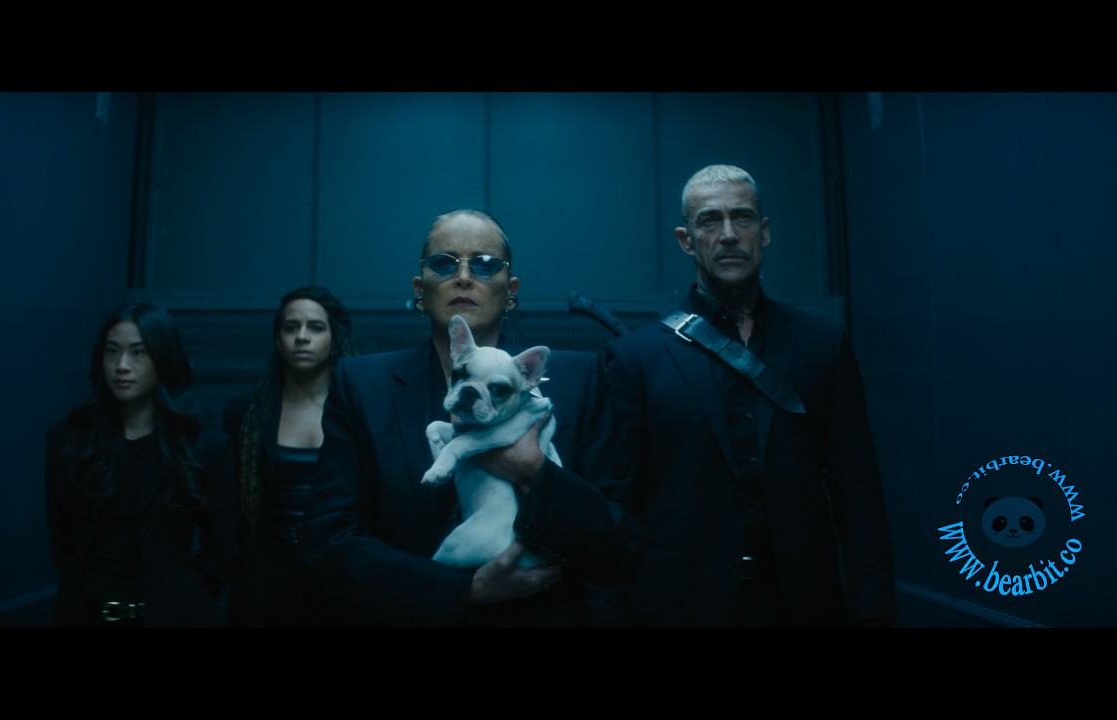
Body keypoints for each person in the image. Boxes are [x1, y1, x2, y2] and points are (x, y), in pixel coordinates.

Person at [299, 209, 637, 627]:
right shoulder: (360, 385)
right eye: (444, 263)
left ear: (511, 291)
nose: (463, 276)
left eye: (485, 264)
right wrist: (460, 591)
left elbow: (619, 543)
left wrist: (533, 470)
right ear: (420, 289)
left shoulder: (579, 379)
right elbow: (328, 539)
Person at [603, 164, 896, 627]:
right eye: (709, 221)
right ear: (686, 240)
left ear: (765, 232)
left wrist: (874, 613)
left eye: (742, 217)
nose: (728, 234)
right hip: (680, 606)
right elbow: (620, 505)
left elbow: (857, 494)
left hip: (804, 605)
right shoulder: (634, 358)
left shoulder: (823, 344)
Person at [45, 302, 238, 627]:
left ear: (164, 358)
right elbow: (62, 541)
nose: (122, 365)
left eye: (138, 352)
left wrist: (180, 605)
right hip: (84, 616)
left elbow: (220, 554)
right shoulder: (67, 440)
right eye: (112, 351)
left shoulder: (206, 448)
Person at [222, 286, 358, 627]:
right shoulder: (245, 413)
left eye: (315, 327)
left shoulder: (359, 410)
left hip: (340, 571)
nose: (302, 337)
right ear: (277, 339)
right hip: (266, 575)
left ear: (334, 337)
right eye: (291, 327)